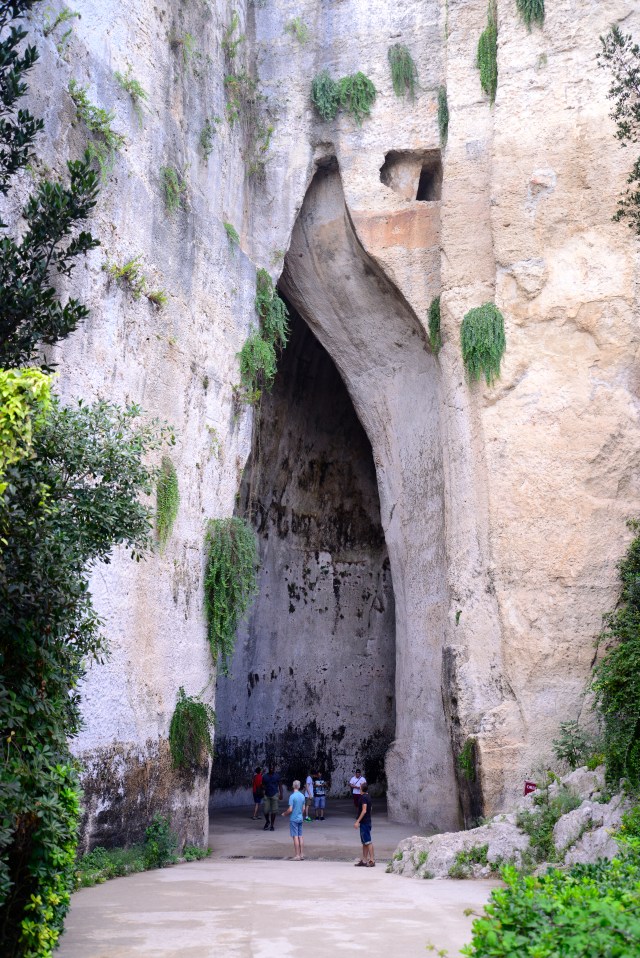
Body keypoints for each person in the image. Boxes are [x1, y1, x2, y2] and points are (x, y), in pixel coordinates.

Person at [281, 779, 306, 860]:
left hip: (294, 819)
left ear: (293, 786)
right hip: (300, 818)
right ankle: (302, 854)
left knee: (295, 837)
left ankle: (297, 855)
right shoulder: (302, 796)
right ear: (299, 786)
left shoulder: (292, 796)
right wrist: (300, 815)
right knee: (300, 836)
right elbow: (304, 809)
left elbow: (290, 809)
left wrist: (284, 813)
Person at [353, 780, 375, 866]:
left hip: (364, 822)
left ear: (361, 789)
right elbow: (371, 809)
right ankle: (364, 860)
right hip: (366, 821)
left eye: (360, 786)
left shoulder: (364, 798)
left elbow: (364, 810)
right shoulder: (368, 796)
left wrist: (358, 821)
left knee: (368, 841)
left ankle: (372, 860)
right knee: (364, 842)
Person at [261, 763, 283, 831]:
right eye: (270, 767)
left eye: (273, 768)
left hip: (274, 794)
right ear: (268, 768)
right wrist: (263, 790)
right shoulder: (264, 776)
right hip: (267, 795)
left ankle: (272, 825)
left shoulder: (277, 776)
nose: (271, 769)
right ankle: (267, 821)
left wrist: (281, 794)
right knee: (265, 810)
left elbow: (280, 785)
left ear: (274, 768)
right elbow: (262, 785)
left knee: (274, 811)